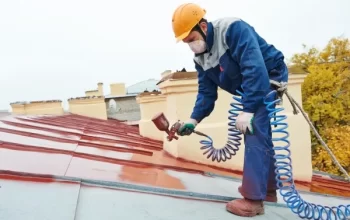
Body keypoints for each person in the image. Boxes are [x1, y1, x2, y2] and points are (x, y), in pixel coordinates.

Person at [171, 3, 289, 217]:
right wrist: (193, 120)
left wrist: (249, 109)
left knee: (253, 129)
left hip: (268, 75)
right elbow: (206, 93)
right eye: (187, 43)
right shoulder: (200, 58)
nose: (191, 46)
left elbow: (254, 68)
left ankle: (253, 200)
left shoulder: (233, 29)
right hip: (249, 84)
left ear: (204, 27)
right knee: (260, 131)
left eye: (191, 39)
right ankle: (269, 191)